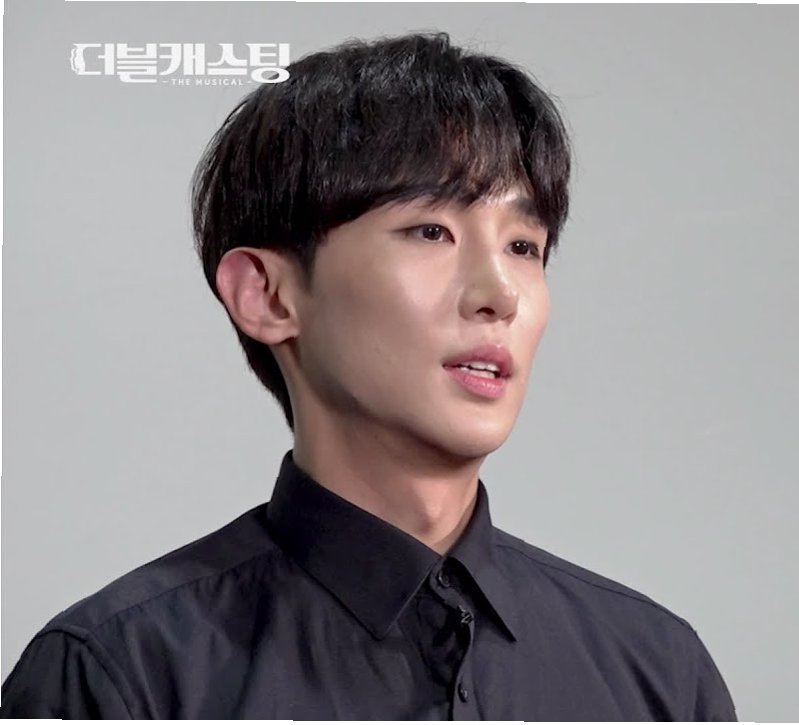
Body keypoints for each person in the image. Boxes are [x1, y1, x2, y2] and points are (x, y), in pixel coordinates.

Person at [1, 31, 737, 720]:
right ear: (267, 295)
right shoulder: (120, 673)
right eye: (431, 231)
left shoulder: (657, 671)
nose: (500, 294)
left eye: (523, 245)